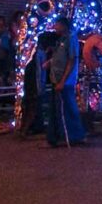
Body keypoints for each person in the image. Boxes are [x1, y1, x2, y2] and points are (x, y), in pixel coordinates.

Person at [43, 17, 86, 146]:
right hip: (56, 78)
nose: (54, 27)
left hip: (65, 81)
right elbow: (60, 57)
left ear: (63, 25)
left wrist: (63, 81)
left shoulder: (71, 38)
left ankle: (75, 136)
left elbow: (71, 60)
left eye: (56, 24)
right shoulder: (61, 39)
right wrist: (50, 63)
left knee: (67, 109)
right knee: (55, 110)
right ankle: (54, 138)